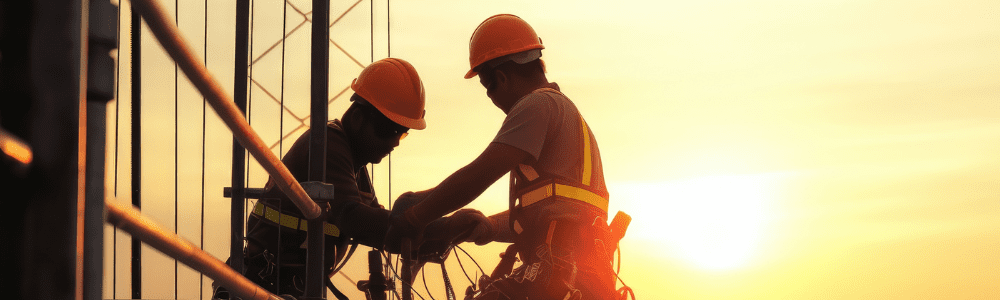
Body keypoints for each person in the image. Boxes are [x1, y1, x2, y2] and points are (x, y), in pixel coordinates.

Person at [386, 14, 622, 300]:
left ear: (501, 78)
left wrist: (415, 216)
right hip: (588, 281)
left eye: (488, 88)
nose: (492, 99)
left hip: (557, 275)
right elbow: (554, 214)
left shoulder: (537, 105)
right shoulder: (570, 119)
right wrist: (488, 226)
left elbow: (480, 173)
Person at [213, 58, 488, 299]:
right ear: (358, 117)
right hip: (261, 286)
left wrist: (440, 232)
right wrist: (441, 227)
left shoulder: (357, 171)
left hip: (286, 288)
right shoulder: (326, 145)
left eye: (403, 132)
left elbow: (382, 228)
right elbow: (355, 219)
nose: (395, 142)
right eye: (389, 130)